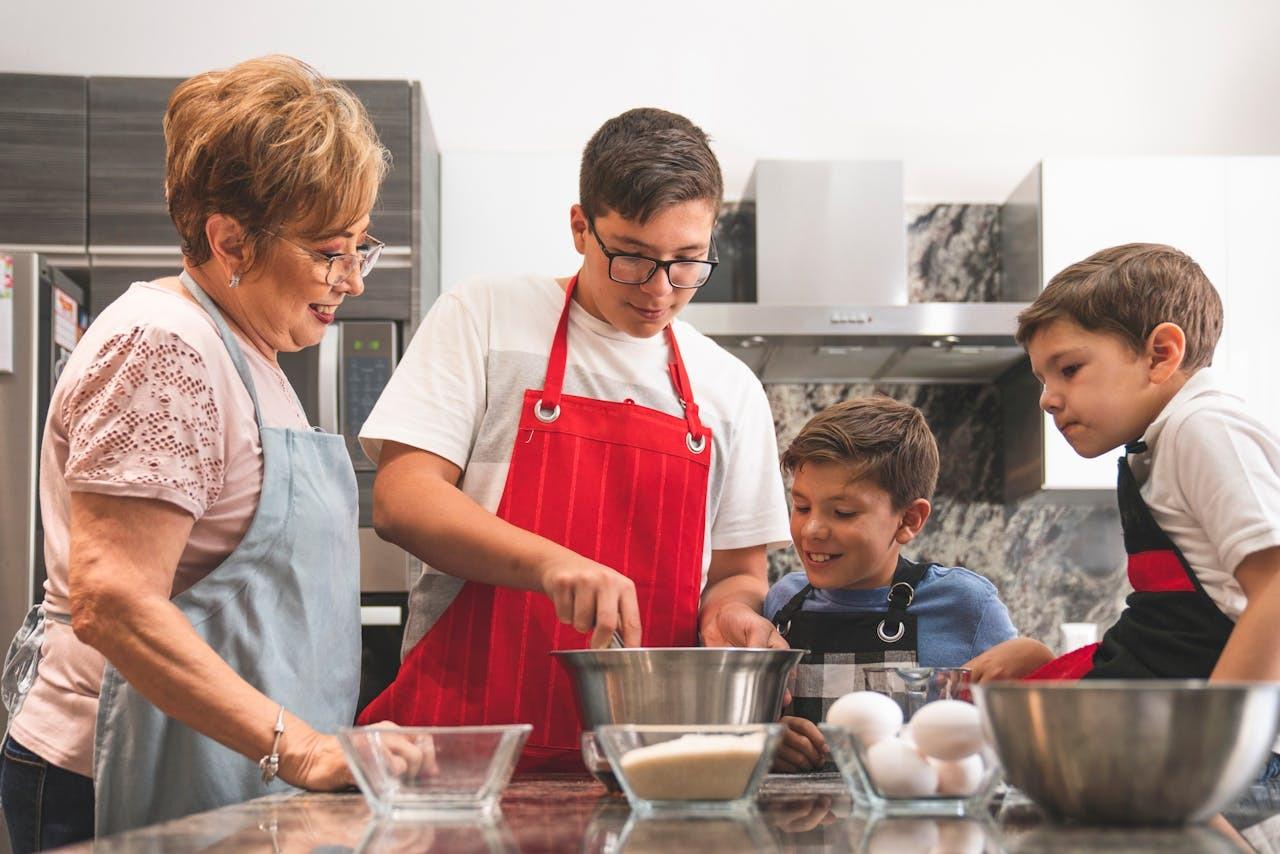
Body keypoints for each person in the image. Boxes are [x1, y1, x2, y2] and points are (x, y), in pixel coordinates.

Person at [0, 55, 423, 851]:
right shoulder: (163, 350)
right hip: (116, 777)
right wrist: (299, 745)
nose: (353, 281)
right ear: (230, 239)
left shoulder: (248, 352)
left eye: (361, 248)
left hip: (211, 763)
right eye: (332, 252)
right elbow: (112, 600)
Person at [354, 107, 792, 770]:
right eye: (633, 258)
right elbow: (403, 498)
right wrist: (549, 563)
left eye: (686, 263)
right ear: (581, 227)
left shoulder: (729, 390)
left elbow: (737, 572)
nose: (658, 290)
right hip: (458, 753)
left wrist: (732, 615)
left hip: (650, 765)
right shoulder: (486, 315)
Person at [985, 244, 1280, 711]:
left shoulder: (1203, 427)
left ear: (1160, 354)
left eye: (1069, 369)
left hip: (1224, 751)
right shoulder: (1159, 444)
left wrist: (1217, 740)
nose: (1047, 399)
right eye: (1043, 379)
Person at [763, 396, 1051, 772]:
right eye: (801, 507)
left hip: (928, 824)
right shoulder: (782, 604)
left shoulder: (966, 604)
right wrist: (771, 737)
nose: (812, 529)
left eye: (843, 512)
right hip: (801, 824)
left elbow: (1033, 718)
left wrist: (1035, 655)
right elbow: (747, 725)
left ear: (909, 520)